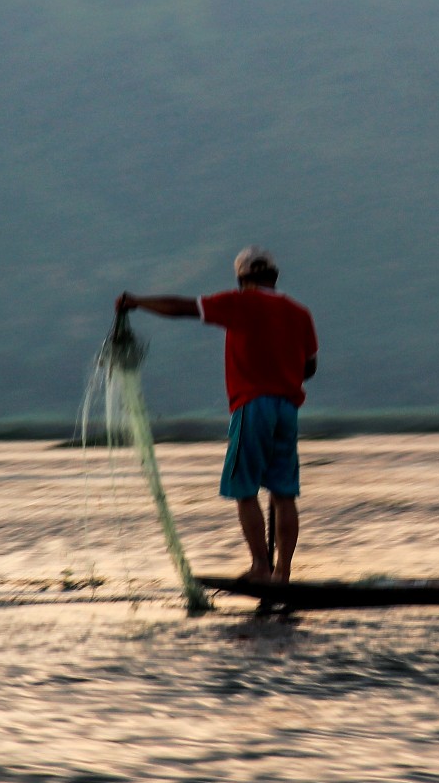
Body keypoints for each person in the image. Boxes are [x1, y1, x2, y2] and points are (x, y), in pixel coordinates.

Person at [117, 248, 318, 582]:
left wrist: (137, 301)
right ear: (275, 276)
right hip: (287, 409)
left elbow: (183, 308)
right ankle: (282, 574)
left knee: (244, 489)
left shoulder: (239, 303)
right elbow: (309, 367)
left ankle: (260, 567)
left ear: (241, 279)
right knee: (284, 494)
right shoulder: (300, 313)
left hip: (252, 406)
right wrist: (281, 366)